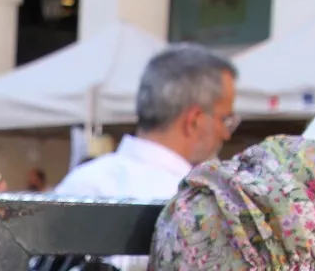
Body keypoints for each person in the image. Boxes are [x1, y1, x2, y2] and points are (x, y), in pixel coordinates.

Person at [52, 43, 237, 201]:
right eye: (225, 120)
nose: (226, 134)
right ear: (195, 121)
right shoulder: (196, 202)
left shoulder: (84, 182)